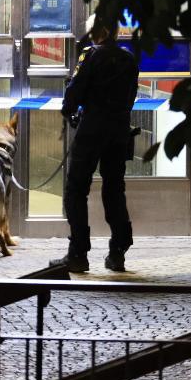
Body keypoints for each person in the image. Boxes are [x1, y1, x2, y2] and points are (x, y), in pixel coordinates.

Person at [51, 15, 139, 273]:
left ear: (98, 31)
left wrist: (70, 112)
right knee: (114, 190)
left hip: (92, 132)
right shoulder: (129, 60)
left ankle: (78, 253)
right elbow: (131, 96)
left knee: (76, 190)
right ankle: (118, 250)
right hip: (119, 132)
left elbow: (74, 93)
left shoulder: (90, 55)